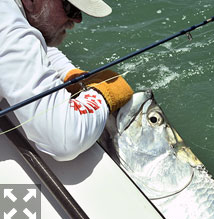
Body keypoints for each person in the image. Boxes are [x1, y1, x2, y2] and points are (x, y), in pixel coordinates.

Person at [0, 0, 133, 161]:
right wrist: (103, 96)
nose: (78, 20)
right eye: (70, 8)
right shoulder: (9, 29)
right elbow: (63, 139)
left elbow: (27, 41)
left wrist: (68, 72)